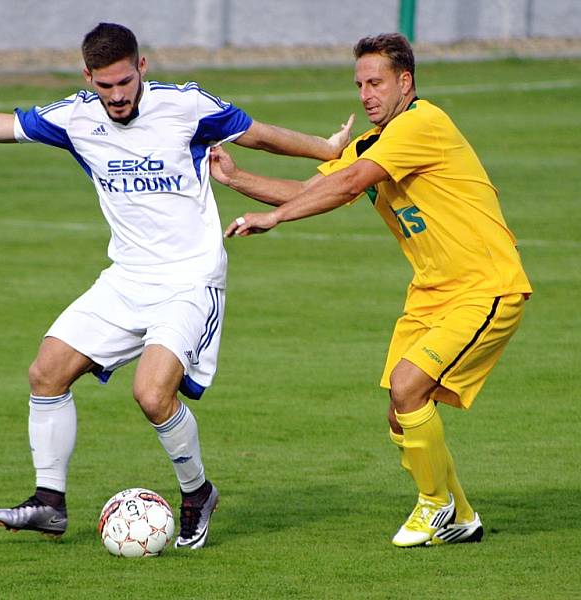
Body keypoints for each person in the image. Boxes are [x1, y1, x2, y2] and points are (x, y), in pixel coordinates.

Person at [0, 22, 354, 549]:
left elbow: (257, 133)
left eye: (125, 82)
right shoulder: (74, 118)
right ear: (88, 77)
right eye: (106, 86)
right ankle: (49, 504)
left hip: (190, 279)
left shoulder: (186, 106)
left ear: (141, 67)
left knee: (151, 394)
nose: (118, 96)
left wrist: (325, 150)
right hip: (125, 278)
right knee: (46, 370)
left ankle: (197, 492)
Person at [213, 32, 532, 547]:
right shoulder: (373, 143)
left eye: (376, 82)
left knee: (409, 387)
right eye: (359, 83)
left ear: (405, 82)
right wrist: (235, 177)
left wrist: (274, 219)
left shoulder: (421, 124)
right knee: (400, 409)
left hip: (485, 284)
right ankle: (463, 517)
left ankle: (436, 504)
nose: (365, 94)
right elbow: (314, 190)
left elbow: (346, 184)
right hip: (432, 291)